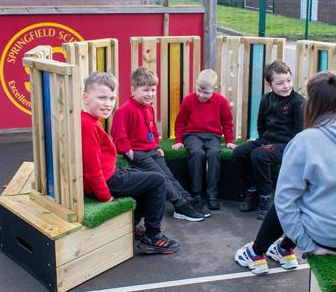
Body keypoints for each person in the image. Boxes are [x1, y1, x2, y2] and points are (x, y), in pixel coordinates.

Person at [235, 71, 336, 274]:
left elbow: (285, 203)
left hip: (324, 238)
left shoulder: (306, 140)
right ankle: (284, 247)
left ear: (313, 103)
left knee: (289, 196)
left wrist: (309, 245)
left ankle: (256, 252)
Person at [81, 71, 179, 255]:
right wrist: (104, 196)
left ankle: (132, 226)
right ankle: (153, 236)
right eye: (102, 98)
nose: (108, 103)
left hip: (111, 173)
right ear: (85, 98)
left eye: (111, 98)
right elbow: (91, 168)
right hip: (108, 180)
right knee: (158, 181)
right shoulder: (88, 125)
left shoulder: (91, 121)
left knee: (148, 181)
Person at [111, 67, 207, 222]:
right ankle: (180, 206)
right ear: (133, 90)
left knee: (170, 176)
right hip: (139, 154)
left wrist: (156, 146)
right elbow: (118, 135)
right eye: (145, 90)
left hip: (152, 150)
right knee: (162, 178)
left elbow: (152, 129)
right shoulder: (124, 110)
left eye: (153, 90)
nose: (150, 94)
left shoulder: (149, 107)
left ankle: (188, 199)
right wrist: (129, 152)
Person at [232, 60, 305, 220]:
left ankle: (266, 196)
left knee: (259, 154)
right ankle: (252, 190)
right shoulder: (267, 99)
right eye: (280, 83)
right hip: (267, 140)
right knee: (239, 152)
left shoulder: (297, 102)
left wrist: (286, 148)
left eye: (288, 81)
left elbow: (299, 132)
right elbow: (261, 123)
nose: (286, 86)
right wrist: (264, 140)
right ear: (269, 84)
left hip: (287, 144)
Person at [171, 69, 236, 211]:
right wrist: (179, 140)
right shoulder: (188, 100)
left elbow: (227, 122)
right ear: (196, 84)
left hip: (213, 136)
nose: (201, 95)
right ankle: (197, 194)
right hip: (192, 135)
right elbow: (180, 122)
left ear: (214, 89)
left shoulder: (221, 101)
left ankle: (212, 195)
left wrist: (229, 140)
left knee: (214, 154)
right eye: (199, 90)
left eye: (206, 92)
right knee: (196, 153)